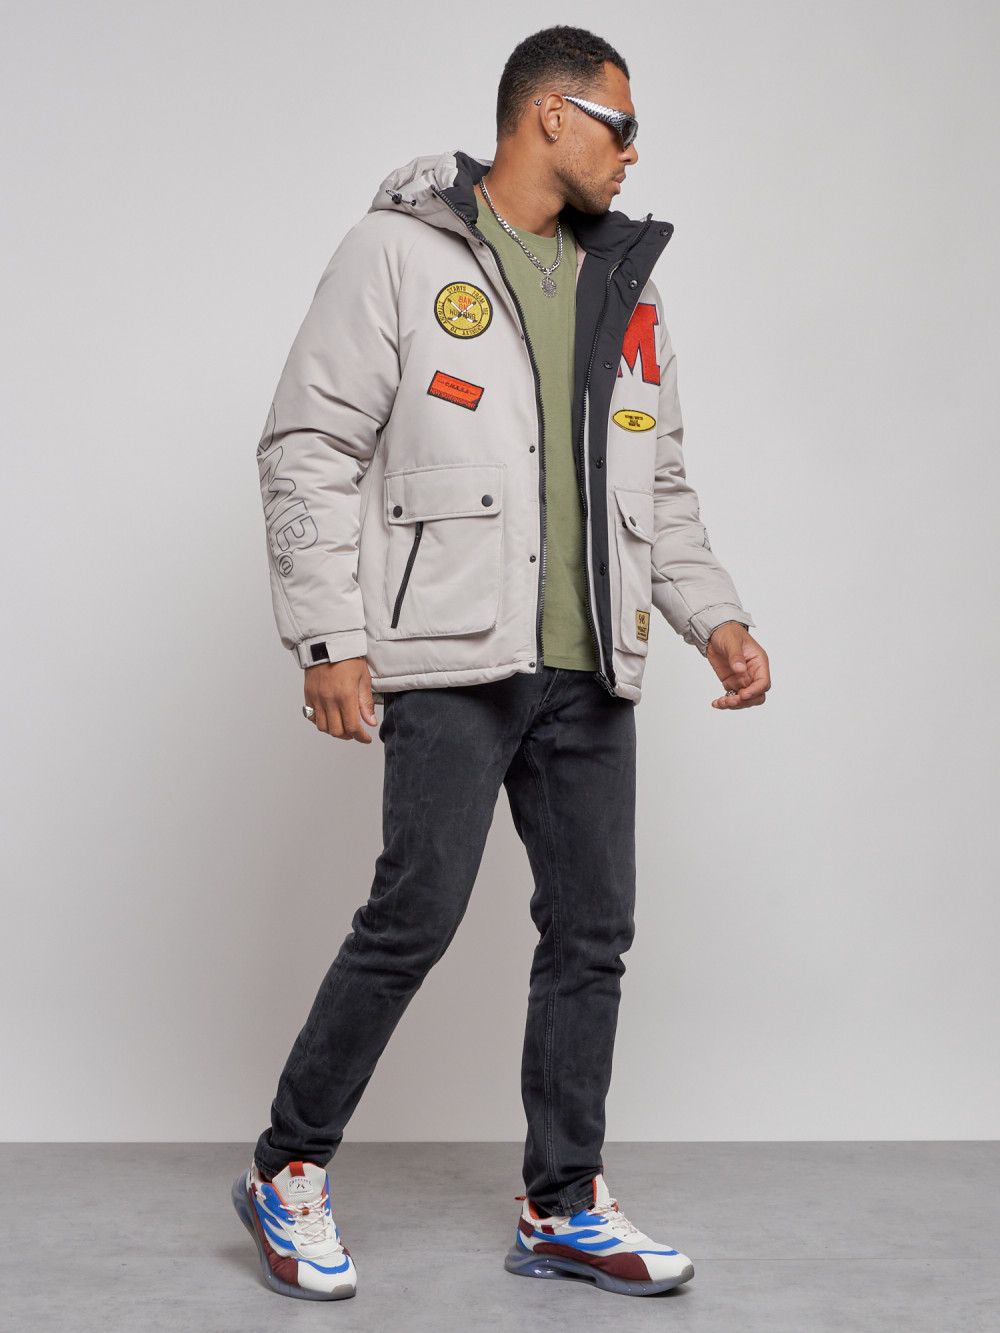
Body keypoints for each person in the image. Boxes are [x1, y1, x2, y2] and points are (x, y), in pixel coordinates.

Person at [232, 24, 771, 1303]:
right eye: (619, 126)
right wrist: (329, 636)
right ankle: (286, 1168)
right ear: (549, 115)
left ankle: (562, 1202)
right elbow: (308, 444)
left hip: (592, 669)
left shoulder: (626, 282)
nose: (633, 152)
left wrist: (713, 616)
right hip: (450, 656)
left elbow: (660, 482)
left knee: (592, 935)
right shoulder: (399, 252)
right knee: (411, 919)